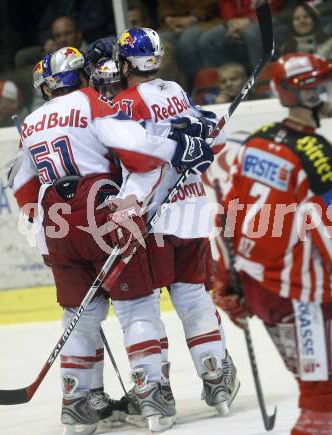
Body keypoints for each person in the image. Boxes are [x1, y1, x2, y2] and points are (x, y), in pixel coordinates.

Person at [11, 45, 213, 435]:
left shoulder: (32, 122)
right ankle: (151, 394)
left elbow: (20, 183)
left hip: (55, 221)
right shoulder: (90, 103)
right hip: (99, 209)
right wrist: (180, 148)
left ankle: (77, 403)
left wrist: (44, 226)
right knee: (137, 307)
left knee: (78, 314)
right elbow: (136, 148)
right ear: (80, 78)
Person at [212, 52, 332, 435]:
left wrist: (226, 279)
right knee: (321, 403)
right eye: (327, 87)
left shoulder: (255, 142)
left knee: (325, 395)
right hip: (304, 296)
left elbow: (227, 214)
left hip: (259, 290)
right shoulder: (324, 159)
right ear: (310, 95)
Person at [108, 27, 240, 429]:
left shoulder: (126, 101)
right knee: (194, 298)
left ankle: (151, 392)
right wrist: (199, 135)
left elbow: (139, 159)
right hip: (193, 209)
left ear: (126, 62)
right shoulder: (176, 90)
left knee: (141, 308)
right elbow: (201, 126)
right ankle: (216, 378)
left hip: (153, 216)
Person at [199, 0, 263, 73]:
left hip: (263, 18)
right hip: (236, 22)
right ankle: (224, 80)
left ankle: (260, 79)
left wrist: (250, 20)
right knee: (208, 40)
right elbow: (226, 5)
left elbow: (271, 6)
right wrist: (232, 23)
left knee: (251, 33)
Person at [281, 3, 332, 75]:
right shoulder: (286, 47)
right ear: (291, 24)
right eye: (296, 19)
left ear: (314, 20)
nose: (302, 21)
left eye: (306, 16)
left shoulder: (331, 43)